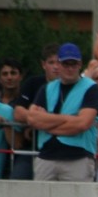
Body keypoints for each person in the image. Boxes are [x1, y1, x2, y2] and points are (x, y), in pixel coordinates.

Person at [27, 43, 98, 182]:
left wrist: (47, 121)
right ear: (59, 64)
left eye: (73, 64)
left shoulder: (91, 89)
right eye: (65, 64)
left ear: (80, 64)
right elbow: (32, 118)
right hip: (46, 156)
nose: (70, 68)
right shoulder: (47, 88)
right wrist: (70, 119)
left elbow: (82, 124)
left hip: (78, 157)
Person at [12, 43, 61, 180]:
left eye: (59, 62)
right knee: (18, 179)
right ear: (43, 64)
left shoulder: (73, 87)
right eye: (51, 62)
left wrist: (39, 121)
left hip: (63, 149)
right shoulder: (32, 83)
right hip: (31, 148)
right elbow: (18, 112)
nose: (56, 67)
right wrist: (38, 119)